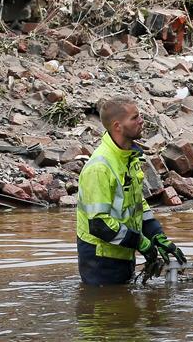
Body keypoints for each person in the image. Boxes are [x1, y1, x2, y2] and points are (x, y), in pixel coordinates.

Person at [76, 96, 187, 286]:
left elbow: (136, 204)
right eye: (135, 118)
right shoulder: (99, 167)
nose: (141, 121)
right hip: (100, 259)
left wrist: (156, 234)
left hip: (123, 250)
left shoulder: (129, 158)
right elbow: (99, 223)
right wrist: (140, 242)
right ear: (118, 126)